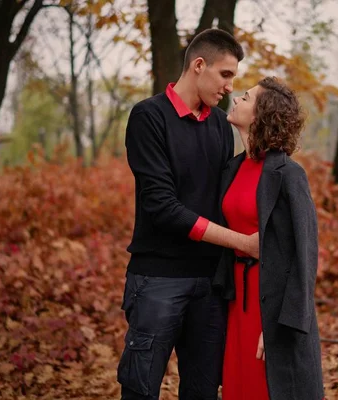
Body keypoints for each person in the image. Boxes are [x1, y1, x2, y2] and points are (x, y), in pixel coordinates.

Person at [118, 29, 259, 400]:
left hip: (210, 285)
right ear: (199, 65)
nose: (230, 87)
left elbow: (225, 196)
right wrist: (243, 243)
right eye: (225, 75)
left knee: (202, 392)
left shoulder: (218, 124)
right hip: (157, 280)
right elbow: (162, 208)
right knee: (140, 389)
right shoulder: (148, 117)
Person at [213, 77, 325, 400]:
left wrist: (280, 326)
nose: (236, 99)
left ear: (262, 113)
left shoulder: (290, 175)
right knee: (238, 388)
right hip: (237, 304)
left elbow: (304, 257)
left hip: (272, 310)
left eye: (246, 98)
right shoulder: (232, 169)